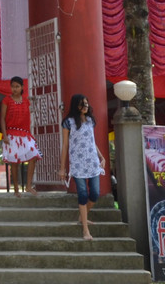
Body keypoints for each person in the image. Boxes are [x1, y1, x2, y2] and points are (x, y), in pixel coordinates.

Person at [59, 93, 105, 240]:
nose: (85, 106)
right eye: (81, 104)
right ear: (75, 106)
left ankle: (82, 217)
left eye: (86, 103)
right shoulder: (68, 122)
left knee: (95, 194)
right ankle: (85, 230)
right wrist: (62, 168)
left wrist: (101, 156)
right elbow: (65, 145)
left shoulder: (91, 121)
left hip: (92, 162)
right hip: (78, 163)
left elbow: (92, 141)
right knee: (83, 194)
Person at [0, 75, 41, 196]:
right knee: (15, 162)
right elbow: (2, 119)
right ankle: (16, 189)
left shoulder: (26, 101)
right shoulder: (6, 100)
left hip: (25, 134)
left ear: (22, 87)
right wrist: (5, 135)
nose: (14, 89)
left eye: (17, 86)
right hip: (11, 133)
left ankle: (28, 186)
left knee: (34, 156)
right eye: (12, 86)